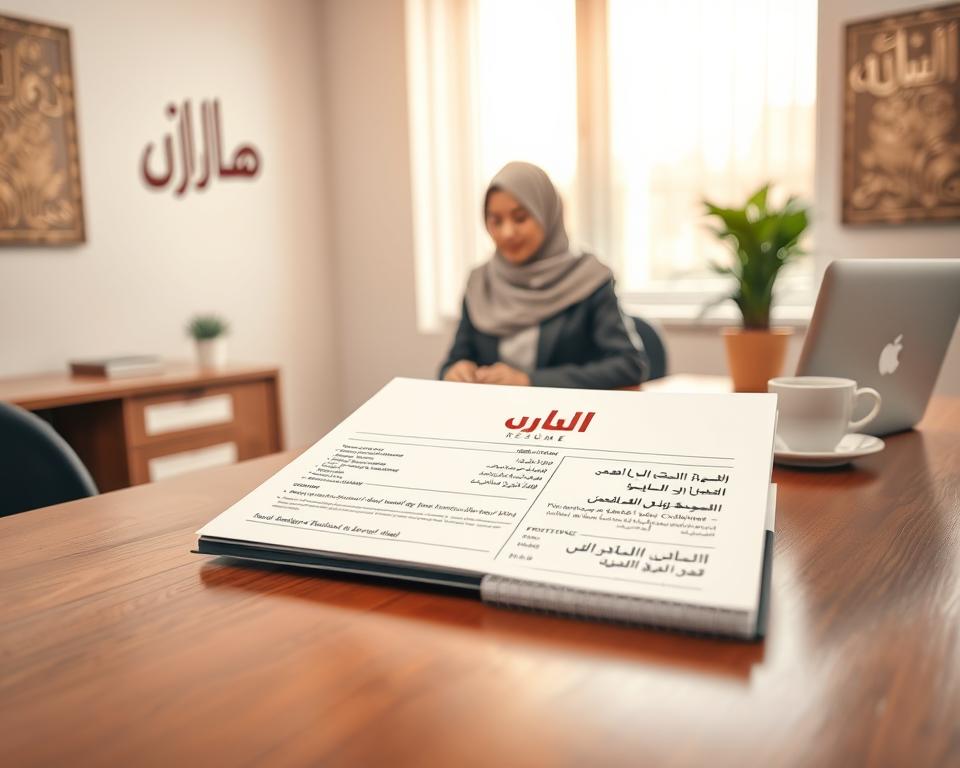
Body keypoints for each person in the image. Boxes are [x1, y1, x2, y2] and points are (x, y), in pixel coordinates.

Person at [439, 161, 647, 389]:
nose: (507, 232)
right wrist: (455, 371)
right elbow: (453, 361)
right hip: (494, 410)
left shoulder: (589, 278)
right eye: (496, 221)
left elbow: (629, 365)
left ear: (547, 214)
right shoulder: (481, 282)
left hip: (567, 411)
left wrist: (529, 381)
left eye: (520, 218)